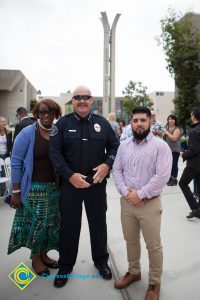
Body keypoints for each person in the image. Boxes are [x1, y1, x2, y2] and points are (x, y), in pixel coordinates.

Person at [49, 85, 119, 288]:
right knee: (69, 227)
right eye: (77, 97)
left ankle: (101, 262)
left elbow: (115, 146)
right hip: (70, 185)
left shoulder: (103, 123)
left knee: (98, 224)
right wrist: (69, 175)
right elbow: (54, 152)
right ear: (72, 101)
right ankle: (65, 266)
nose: (81, 100)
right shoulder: (62, 124)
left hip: (95, 183)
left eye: (85, 97)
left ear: (91, 101)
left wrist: (107, 165)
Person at [112, 107, 172, 300]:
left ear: (150, 122)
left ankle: (154, 283)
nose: (139, 124)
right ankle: (134, 271)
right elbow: (117, 170)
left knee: (153, 246)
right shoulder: (124, 146)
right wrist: (125, 192)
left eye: (143, 120)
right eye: (135, 120)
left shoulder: (160, 146)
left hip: (150, 204)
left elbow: (162, 175)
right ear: (131, 123)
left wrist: (140, 194)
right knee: (131, 241)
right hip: (127, 203)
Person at [7, 99, 62, 277]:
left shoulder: (57, 132)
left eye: (51, 112)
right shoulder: (27, 133)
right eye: (43, 112)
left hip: (53, 188)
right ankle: (35, 259)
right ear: (36, 114)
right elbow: (15, 163)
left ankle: (44, 254)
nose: (47, 116)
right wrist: (15, 192)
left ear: (56, 115)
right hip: (33, 189)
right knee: (37, 224)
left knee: (49, 225)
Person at [179, 107, 200, 219]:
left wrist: (184, 154)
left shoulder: (194, 131)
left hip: (194, 163)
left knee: (182, 183)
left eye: (192, 114)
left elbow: (195, 149)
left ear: (194, 116)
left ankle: (195, 208)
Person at [163, 114, 182, 186]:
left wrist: (167, 133)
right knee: (168, 164)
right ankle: (170, 178)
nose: (170, 120)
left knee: (174, 164)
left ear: (175, 120)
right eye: (169, 119)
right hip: (167, 149)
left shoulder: (177, 129)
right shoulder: (166, 128)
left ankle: (174, 178)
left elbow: (174, 138)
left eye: (172, 119)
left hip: (175, 149)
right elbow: (164, 137)